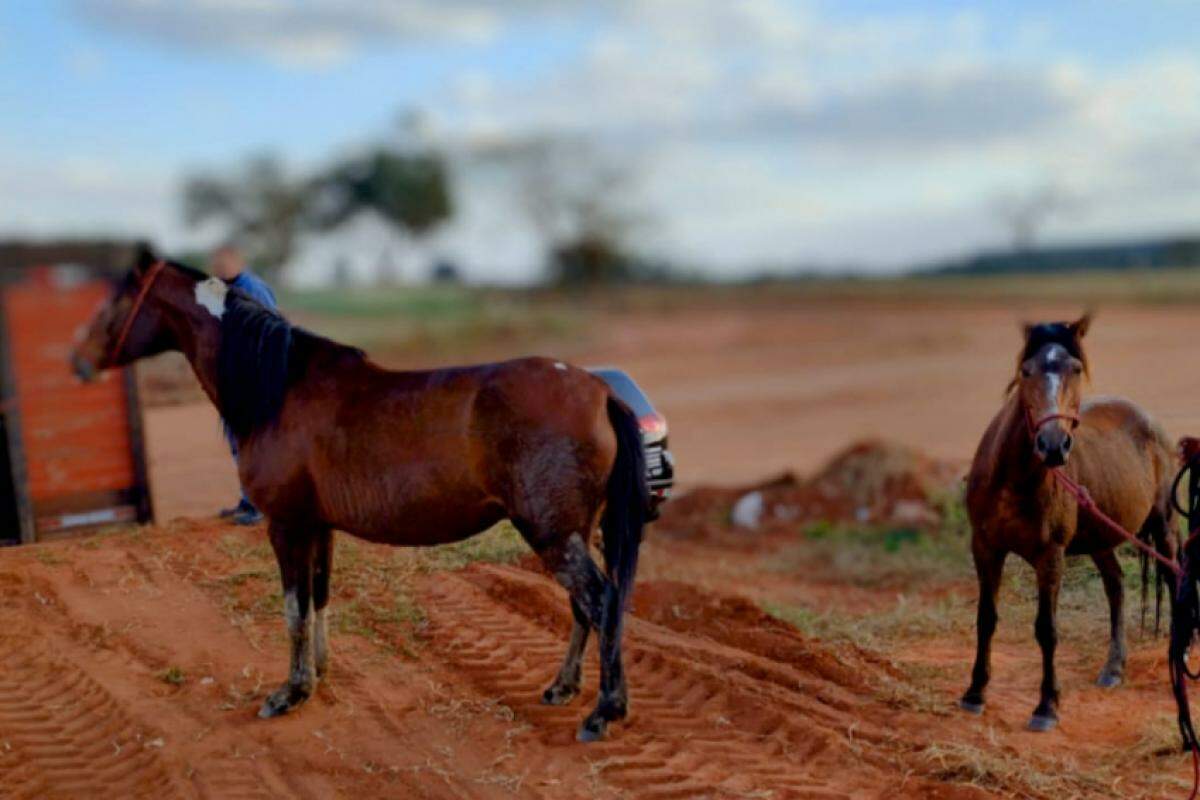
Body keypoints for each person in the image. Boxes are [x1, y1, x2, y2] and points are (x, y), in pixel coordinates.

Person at [209, 243, 278, 525]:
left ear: (239, 260)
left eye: (225, 260)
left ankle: (261, 503)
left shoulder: (254, 288)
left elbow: (271, 331)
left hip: (254, 377)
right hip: (233, 376)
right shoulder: (215, 289)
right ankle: (248, 498)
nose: (219, 266)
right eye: (215, 261)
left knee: (254, 441)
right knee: (238, 441)